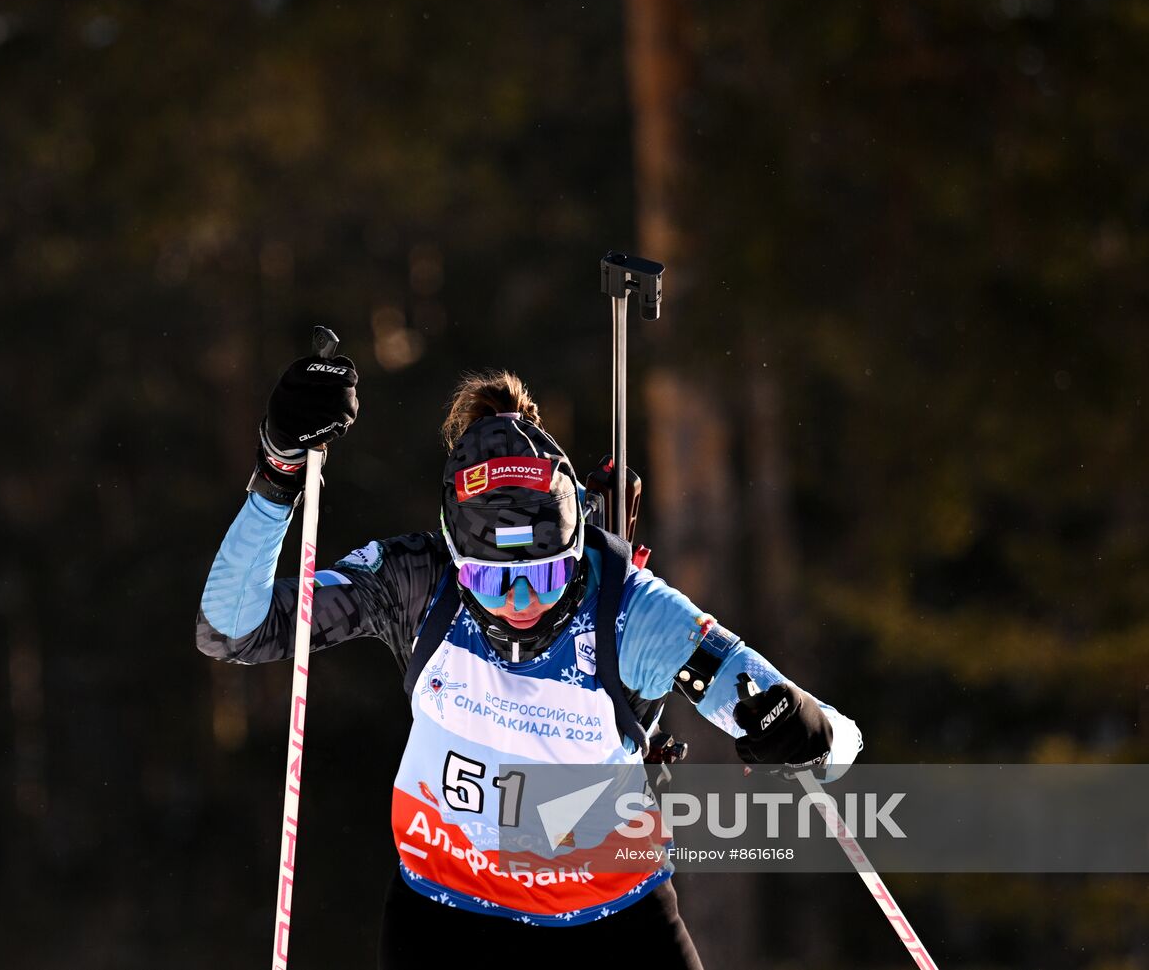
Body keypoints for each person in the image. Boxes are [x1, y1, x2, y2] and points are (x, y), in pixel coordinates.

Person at [197, 356, 862, 968]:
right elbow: (231, 631)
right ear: (457, 558)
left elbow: (834, 741)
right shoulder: (418, 584)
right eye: (490, 580)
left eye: (544, 577)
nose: (519, 603)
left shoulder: (629, 613)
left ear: (576, 550)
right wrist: (279, 470)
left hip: (610, 917)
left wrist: (805, 729)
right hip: (447, 914)